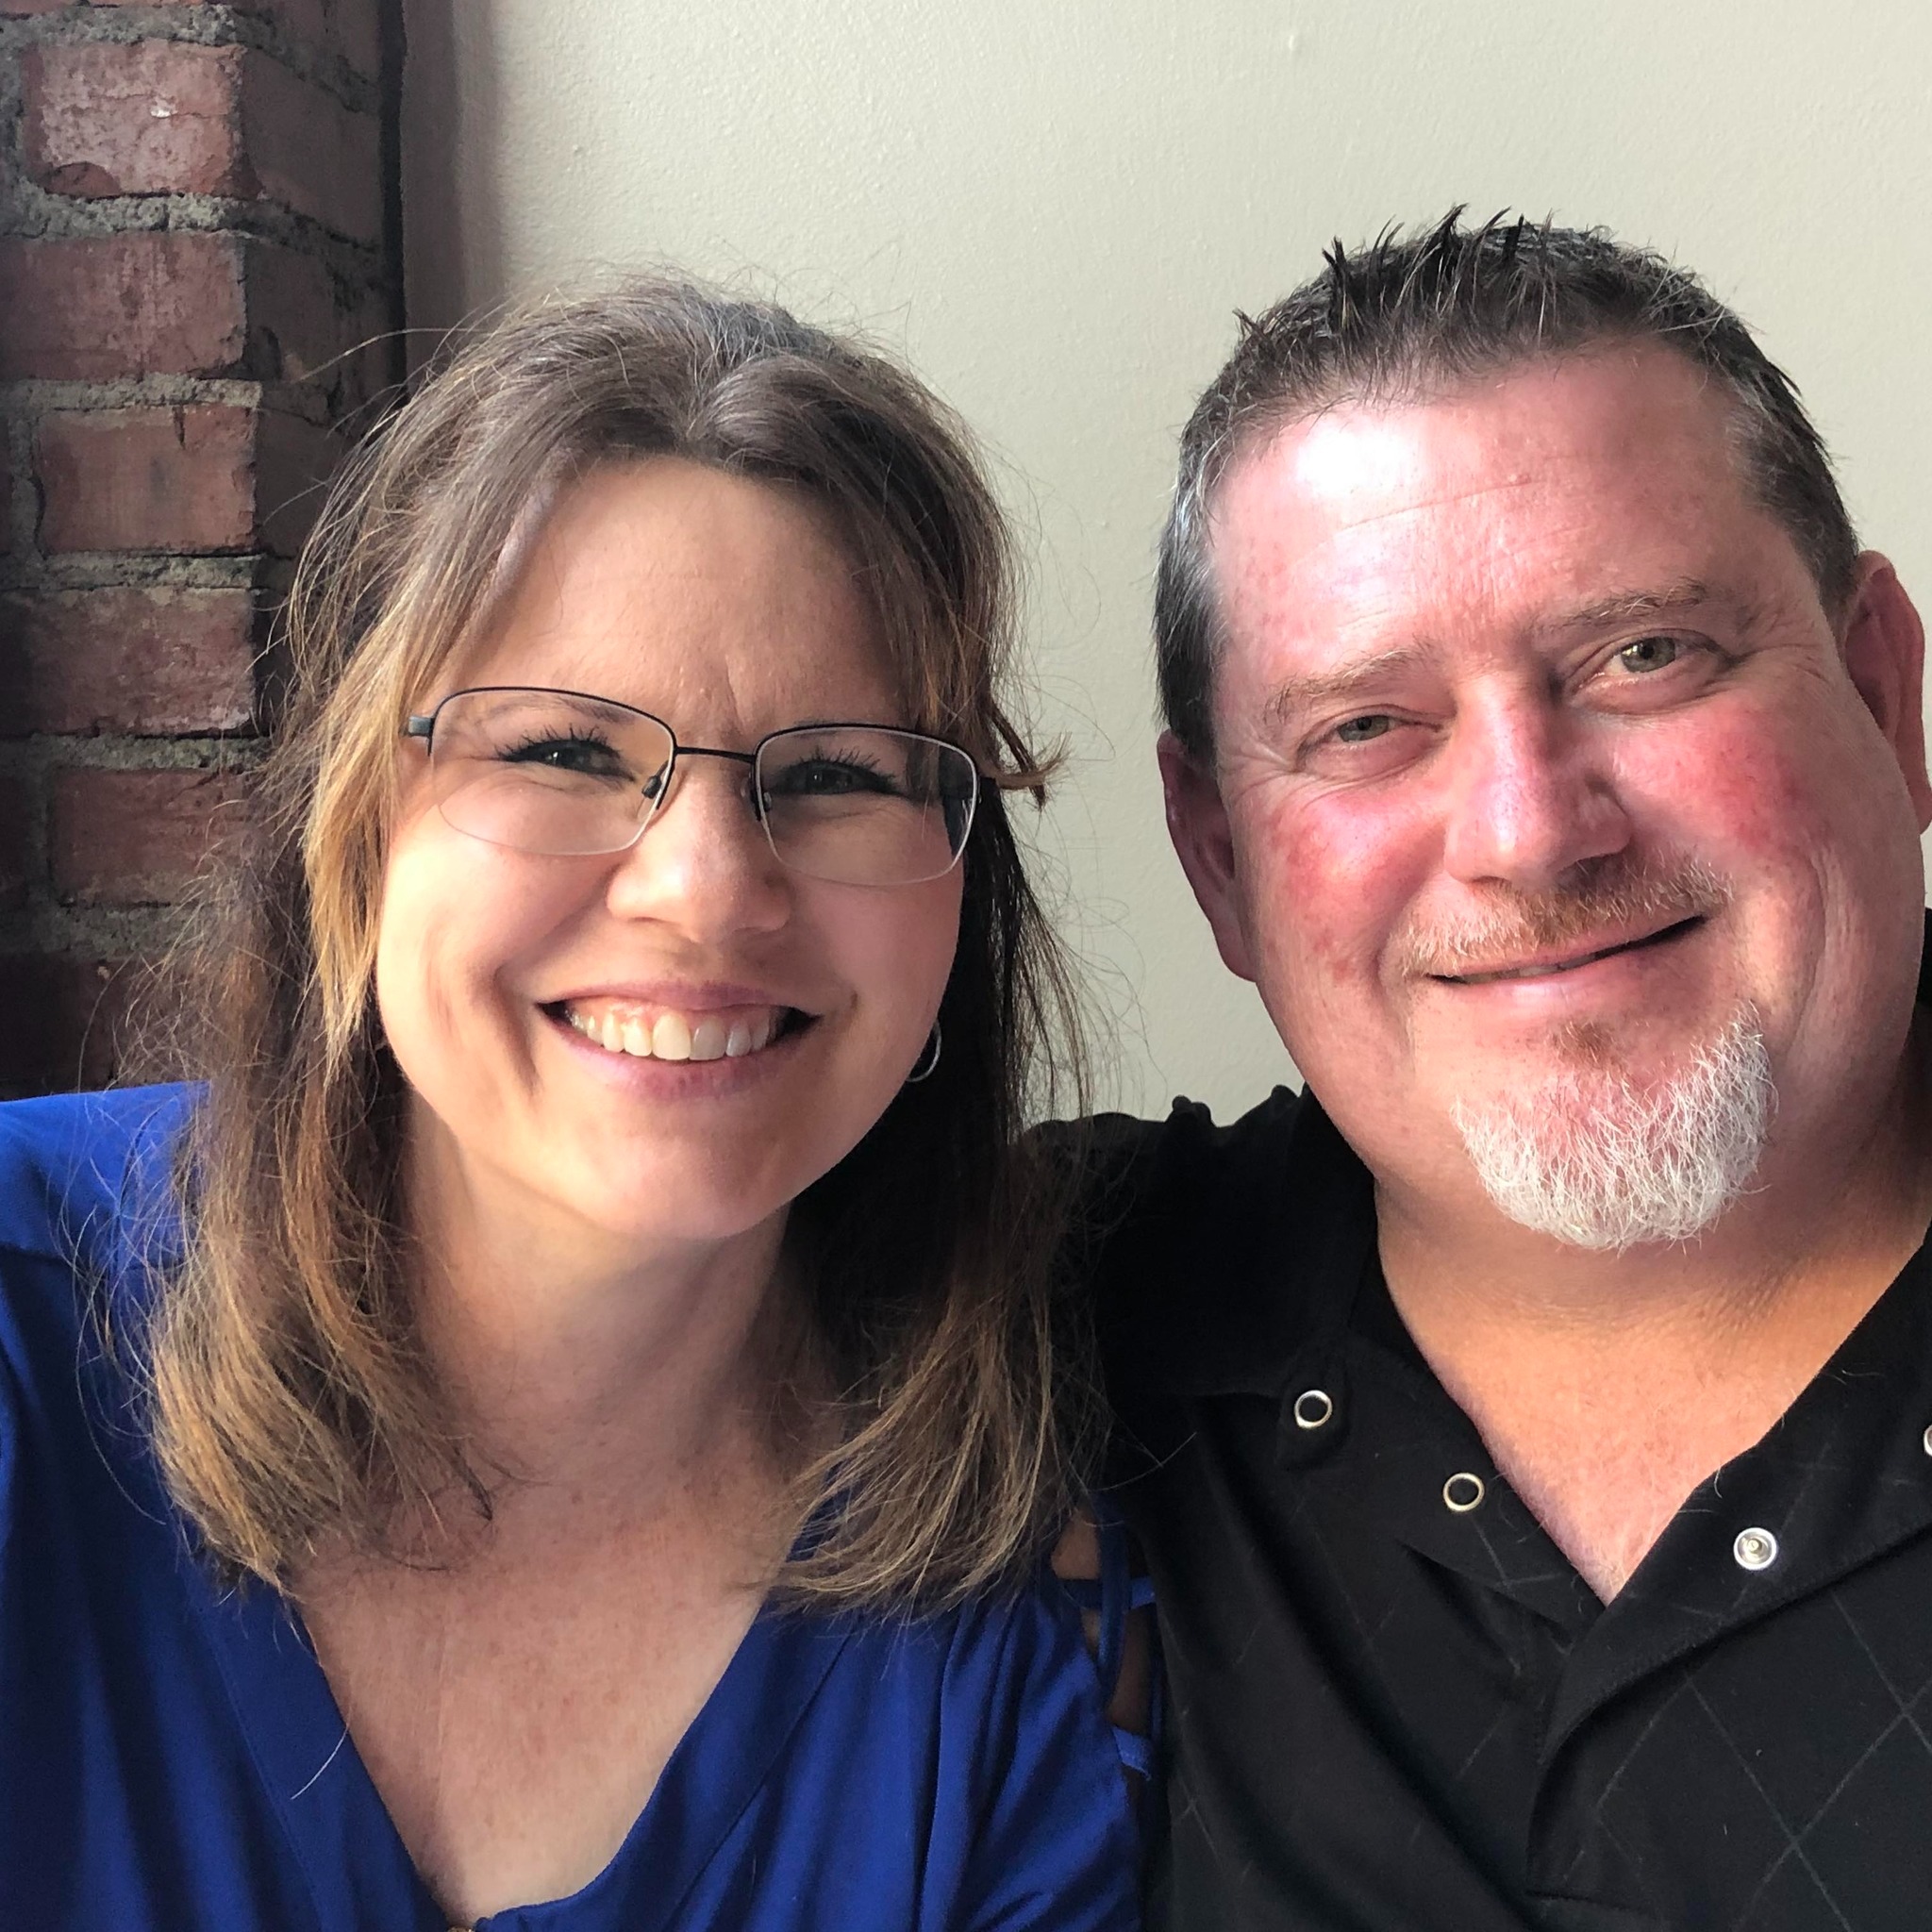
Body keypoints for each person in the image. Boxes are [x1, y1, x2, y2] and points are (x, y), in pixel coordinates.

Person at [0, 281, 1141, 1931]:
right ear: (354, 835)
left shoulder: (1023, 1604)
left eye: (836, 774)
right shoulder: (26, 1331)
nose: (706, 889)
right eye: (559, 753)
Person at [1076, 213, 1932, 1930]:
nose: (1533, 833)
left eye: (1644, 655)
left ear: (1883, 692)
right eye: (1365, 728)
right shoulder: (1046, 1333)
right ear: (1219, 862)